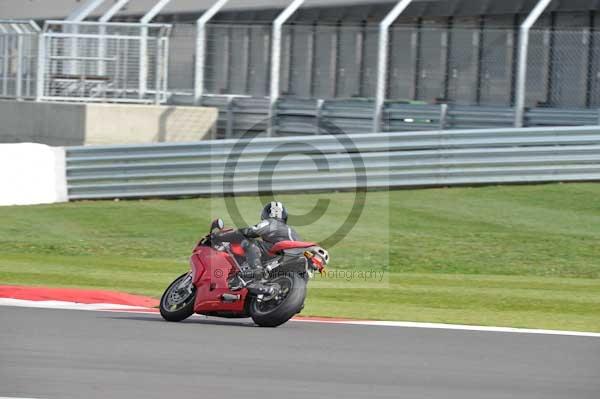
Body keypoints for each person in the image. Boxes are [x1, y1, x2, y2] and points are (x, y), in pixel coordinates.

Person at [231, 201, 301, 294]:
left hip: (279, 252)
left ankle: (256, 274)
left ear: (266, 214)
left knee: (248, 241)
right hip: (295, 255)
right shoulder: (292, 230)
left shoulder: (270, 222)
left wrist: (232, 234)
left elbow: (251, 231)